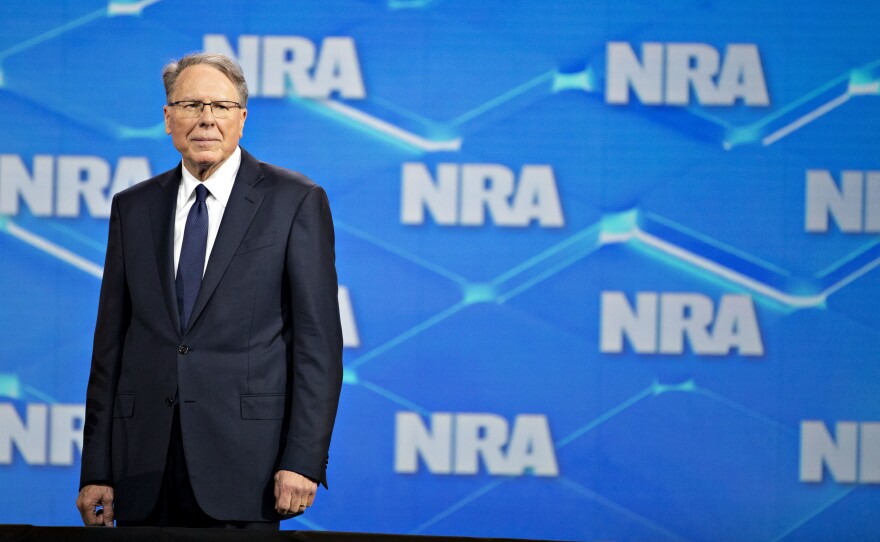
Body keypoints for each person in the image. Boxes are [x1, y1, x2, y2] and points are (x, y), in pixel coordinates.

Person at [75, 52, 343, 530]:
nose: (206, 120)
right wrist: (96, 470)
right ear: (167, 118)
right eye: (191, 104)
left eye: (220, 107)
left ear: (242, 119)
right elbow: (109, 350)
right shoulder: (132, 208)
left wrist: (303, 459)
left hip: (248, 471)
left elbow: (317, 347)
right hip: (142, 470)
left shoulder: (295, 201)